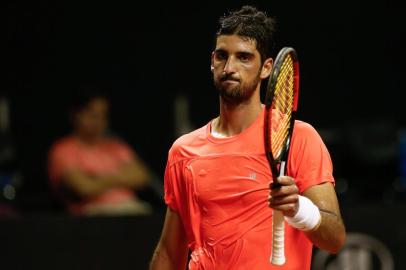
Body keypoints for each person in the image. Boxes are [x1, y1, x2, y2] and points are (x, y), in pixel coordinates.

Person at [150, 5, 346, 270]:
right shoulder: (183, 151)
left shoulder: (299, 137)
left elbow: (334, 238)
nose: (229, 67)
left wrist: (299, 209)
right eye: (222, 56)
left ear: (266, 68)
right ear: (212, 61)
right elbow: (169, 252)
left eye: (243, 57)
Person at [48, 87, 152, 216]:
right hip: (91, 218)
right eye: (93, 115)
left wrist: (97, 178)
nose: (98, 121)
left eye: (103, 116)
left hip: (130, 210)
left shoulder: (116, 146)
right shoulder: (63, 150)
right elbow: (84, 188)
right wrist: (121, 176)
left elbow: (142, 177)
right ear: (75, 114)